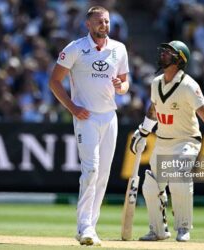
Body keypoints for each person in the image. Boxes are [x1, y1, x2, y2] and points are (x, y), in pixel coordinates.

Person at [130, 40, 204, 242]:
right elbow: (154, 109)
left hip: (187, 141)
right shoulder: (156, 82)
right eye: (164, 51)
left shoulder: (189, 85)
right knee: (150, 185)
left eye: (169, 52)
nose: (163, 54)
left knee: (178, 176)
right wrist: (143, 131)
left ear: (180, 59)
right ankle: (158, 230)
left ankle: (184, 227)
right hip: (163, 140)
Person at [49, 6, 129, 246]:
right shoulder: (75, 48)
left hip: (109, 117)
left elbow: (125, 84)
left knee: (103, 174)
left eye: (106, 21)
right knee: (91, 170)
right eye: (99, 22)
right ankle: (84, 226)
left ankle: (91, 227)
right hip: (86, 117)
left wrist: (120, 87)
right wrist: (72, 108)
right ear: (88, 25)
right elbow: (55, 81)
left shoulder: (119, 49)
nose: (103, 25)